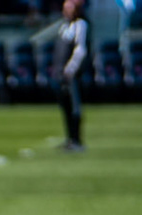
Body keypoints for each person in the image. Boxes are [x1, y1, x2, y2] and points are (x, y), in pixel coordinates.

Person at [54, 0, 88, 151]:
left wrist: (71, 68)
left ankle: (77, 140)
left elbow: (80, 49)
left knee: (74, 106)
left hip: (71, 74)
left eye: (69, 8)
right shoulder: (64, 26)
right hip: (61, 73)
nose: (66, 11)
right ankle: (69, 139)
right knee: (65, 106)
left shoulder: (80, 25)